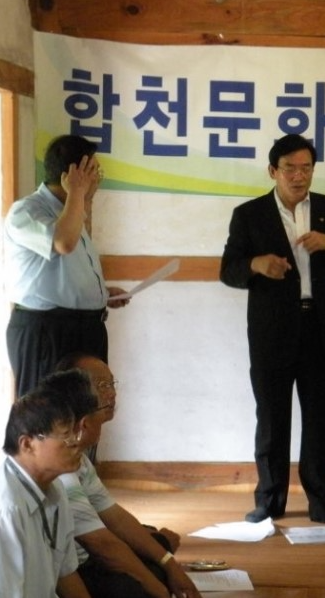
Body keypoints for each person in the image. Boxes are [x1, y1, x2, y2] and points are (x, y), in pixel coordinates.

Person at [220, 133, 325, 529]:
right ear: (273, 171)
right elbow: (228, 270)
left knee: (319, 419)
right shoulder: (249, 215)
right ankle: (269, 501)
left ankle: (324, 503)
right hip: (272, 330)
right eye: (290, 169)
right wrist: (256, 265)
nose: (299, 176)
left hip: (318, 325)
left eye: (306, 168)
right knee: (272, 418)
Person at [49, 354, 202, 598]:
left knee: (154, 546)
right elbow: (100, 545)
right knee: (142, 577)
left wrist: (168, 563)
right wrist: (161, 588)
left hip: (86, 559)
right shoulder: (60, 467)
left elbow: (114, 516)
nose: (111, 394)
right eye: (102, 385)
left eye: (112, 383)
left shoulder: (80, 457)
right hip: (78, 568)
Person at [4, 134, 129, 399]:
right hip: (47, 333)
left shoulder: (71, 211)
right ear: (74, 174)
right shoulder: (27, 211)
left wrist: (103, 294)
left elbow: (66, 273)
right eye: (94, 171)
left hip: (83, 330)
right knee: (47, 414)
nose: (98, 179)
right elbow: (63, 243)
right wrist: (78, 193)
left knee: (87, 411)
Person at [0, 370, 96, 598]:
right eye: (65, 435)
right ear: (27, 444)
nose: (76, 442)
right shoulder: (8, 507)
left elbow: (66, 574)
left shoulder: (56, 489)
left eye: (74, 433)